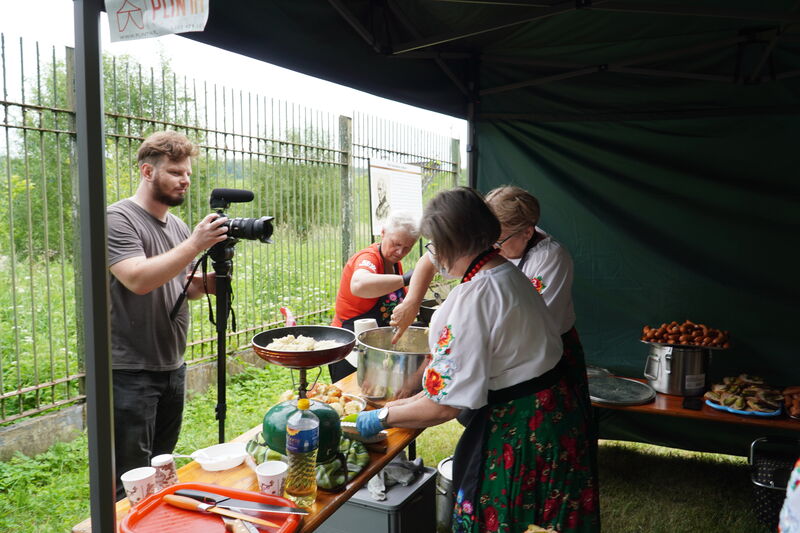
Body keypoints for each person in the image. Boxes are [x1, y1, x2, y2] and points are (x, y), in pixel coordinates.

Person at [358, 187, 600, 533]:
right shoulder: (505, 272)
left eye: (434, 246)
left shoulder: (477, 296)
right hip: (550, 414)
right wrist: (412, 397)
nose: (434, 256)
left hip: (524, 429)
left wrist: (380, 416)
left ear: (453, 245)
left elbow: (445, 406)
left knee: (509, 519)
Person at [107, 131, 229, 498]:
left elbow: (181, 286)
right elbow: (138, 279)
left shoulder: (175, 226)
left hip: (171, 365)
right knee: (131, 478)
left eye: (188, 172)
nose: (185, 180)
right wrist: (195, 244)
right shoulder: (118, 218)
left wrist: (208, 281)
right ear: (147, 171)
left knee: (160, 464)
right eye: (176, 172)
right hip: (130, 370)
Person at [328, 211, 420, 382]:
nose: (400, 252)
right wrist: (405, 279)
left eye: (408, 247)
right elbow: (359, 284)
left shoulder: (393, 263)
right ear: (383, 232)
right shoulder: (368, 257)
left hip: (376, 348)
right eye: (396, 244)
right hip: (349, 348)